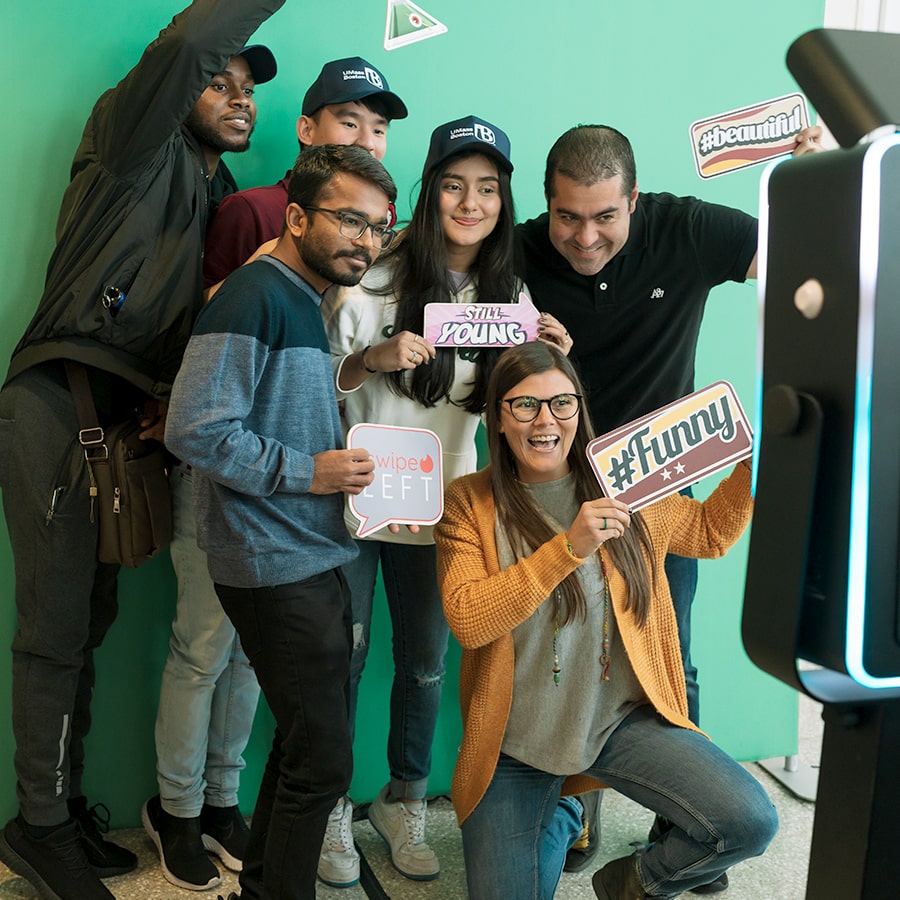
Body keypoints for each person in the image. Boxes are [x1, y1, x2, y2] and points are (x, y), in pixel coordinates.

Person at [0, 4, 281, 899]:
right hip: (57, 402)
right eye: (218, 82)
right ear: (175, 84)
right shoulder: (131, 139)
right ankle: (35, 829)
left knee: (87, 625)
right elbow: (191, 39)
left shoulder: (214, 191)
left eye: (249, 91)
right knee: (52, 633)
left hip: (122, 428)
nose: (237, 99)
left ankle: (60, 809)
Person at [518, 123, 821, 884]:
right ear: (545, 205)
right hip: (548, 483)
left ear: (636, 202)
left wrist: (816, 187)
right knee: (558, 651)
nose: (584, 237)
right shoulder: (516, 250)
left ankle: (685, 822)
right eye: (567, 217)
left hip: (658, 488)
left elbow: (801, 266)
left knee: (668, 655)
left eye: (605, 217)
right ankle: (575, 800)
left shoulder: (689, 228)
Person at [151, 55, 406, 892]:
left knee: (305, 752)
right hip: (271, 557)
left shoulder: (304, 299)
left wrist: (357, 373)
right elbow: (196, 430)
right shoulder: (256, 295)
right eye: (348, 221)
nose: (365, 241)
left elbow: (287, 398)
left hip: (315, 551)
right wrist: (314, 472)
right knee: (322, 763)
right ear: (296, 217)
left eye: (378, 228)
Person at [433, 341, 778, 899]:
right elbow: (469, 620)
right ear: (497, 417)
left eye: (561, 403)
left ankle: (632, 879)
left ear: (579, 411)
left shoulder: (626, 485)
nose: (546, 421)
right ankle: (569, 807)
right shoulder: (467, 503)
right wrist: (567, 548)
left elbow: (710, 533)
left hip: (616, 724)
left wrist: (749, 468)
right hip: (513, 745)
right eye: (525, 406)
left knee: (748, 821)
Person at [323, 115, 571, 887]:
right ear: (432, 194)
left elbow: (524, 409)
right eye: (456, 185)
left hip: (449, 512)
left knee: (426, 665)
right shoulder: (374, 275)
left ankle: (405, 800)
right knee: (343, 661)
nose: (472, 202)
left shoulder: (513, 293)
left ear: (503, 201)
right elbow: (318, 381)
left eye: (489, 189)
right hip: (361, 504)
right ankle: (330, 809)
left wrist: (546, 360)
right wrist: (373, 356)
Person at [203, 55, 408, 290]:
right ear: (306, 130)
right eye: (350, 124)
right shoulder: (251, 209)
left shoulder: (377, 227)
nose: (367, 142)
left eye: (379, 130)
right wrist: (266, 266)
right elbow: (200, 309)